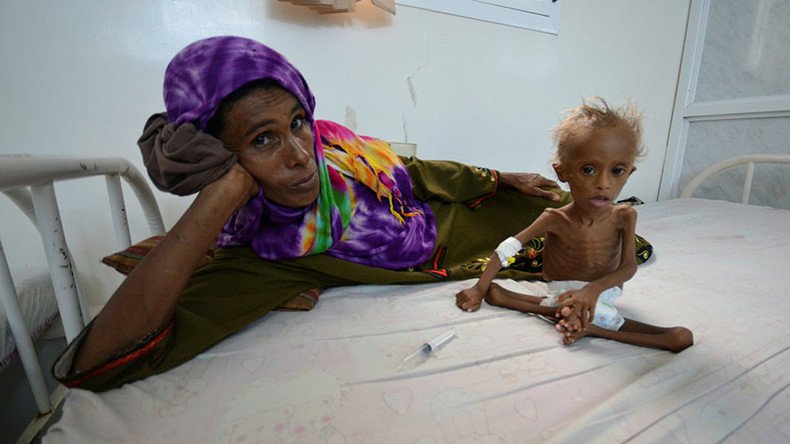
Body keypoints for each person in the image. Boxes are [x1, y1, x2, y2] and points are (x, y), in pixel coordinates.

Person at [53, 37, 652, 391]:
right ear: (219, 157)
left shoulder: (334, 146)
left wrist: (498, 178)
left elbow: (411, 171)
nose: (300, 156)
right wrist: (222, 193)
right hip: (445, 258)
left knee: (596, 222)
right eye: (262, 141)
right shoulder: (268, 253)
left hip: (447, 215)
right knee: (570, 247)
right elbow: (100, 363)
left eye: (296, 122)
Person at [455, 98, 692, 352]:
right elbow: (507, 248)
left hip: (603, 293)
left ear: (630, 172)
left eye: (617, 171)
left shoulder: (625, 216)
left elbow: (628, 267)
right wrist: (478, 288)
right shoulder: (555, 218)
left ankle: (538, 308)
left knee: (682, 336)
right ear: (562, 173)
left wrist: (592, 290)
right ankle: (587, 325)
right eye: (588, 170)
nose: (603, 184)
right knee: (587, 311)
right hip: (563, 292)